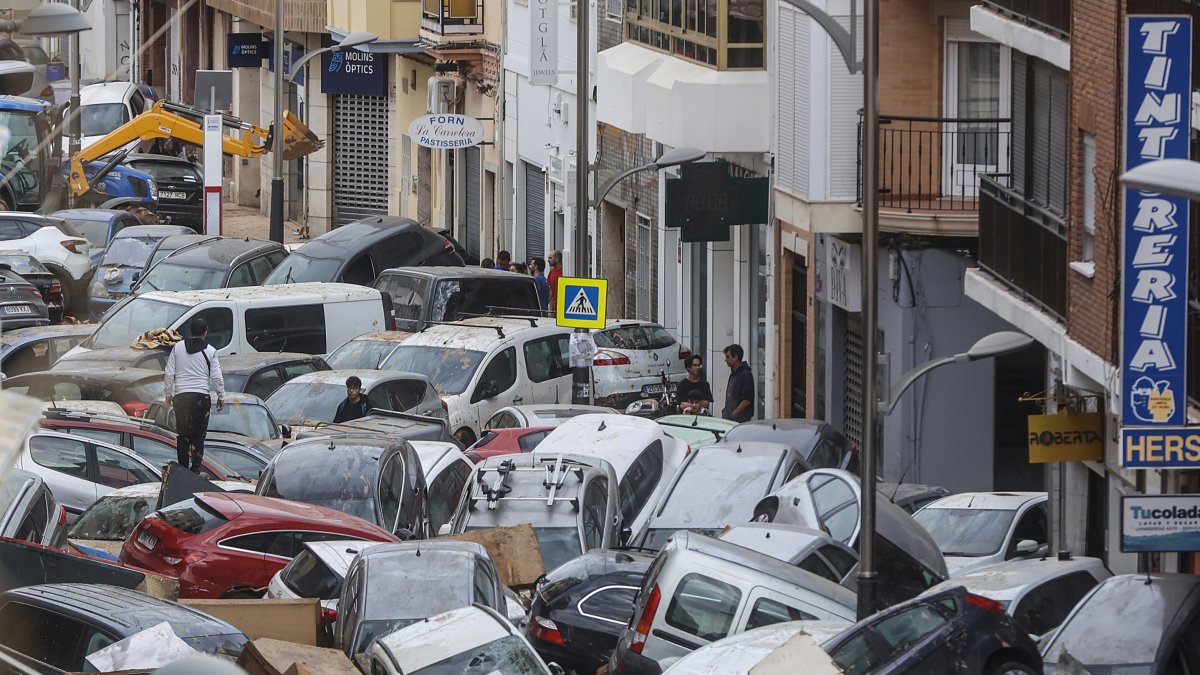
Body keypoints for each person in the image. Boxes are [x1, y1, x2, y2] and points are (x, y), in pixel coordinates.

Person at [164, 317, 224, 472]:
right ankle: (196, 468)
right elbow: (216, 376)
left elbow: (169, 373)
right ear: (205, 333)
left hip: (182, 397)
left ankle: (182, 468)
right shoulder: (211, 351)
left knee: (183, 433)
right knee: (199, 434)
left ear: (190, 332)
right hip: (201, 398)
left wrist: (168, 394)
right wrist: (221, 396)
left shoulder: (177, 348)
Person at [722, 343, 755, 422]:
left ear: (736, 357)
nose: (725, 360)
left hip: (739, 420)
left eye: (728, 357)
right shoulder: (734, 374)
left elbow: (747, 400)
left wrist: (733, 415)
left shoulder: (746, 375)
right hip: (730, 418)